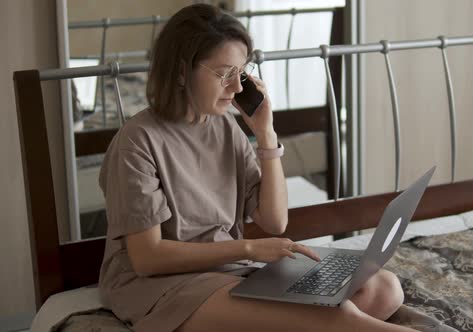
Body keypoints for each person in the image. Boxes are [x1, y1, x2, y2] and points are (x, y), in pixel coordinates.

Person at [98, 4, 411, 332]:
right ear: (180, 71)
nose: (235, 88)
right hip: (162, 283)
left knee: (384, 289)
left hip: (227, 269)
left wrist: (266, 132)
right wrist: (249, 248)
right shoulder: (137, 142)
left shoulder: (224, 127)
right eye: (224, 74)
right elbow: (148, 258)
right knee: (340, 318)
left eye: (241, 74)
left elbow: (275, 220)